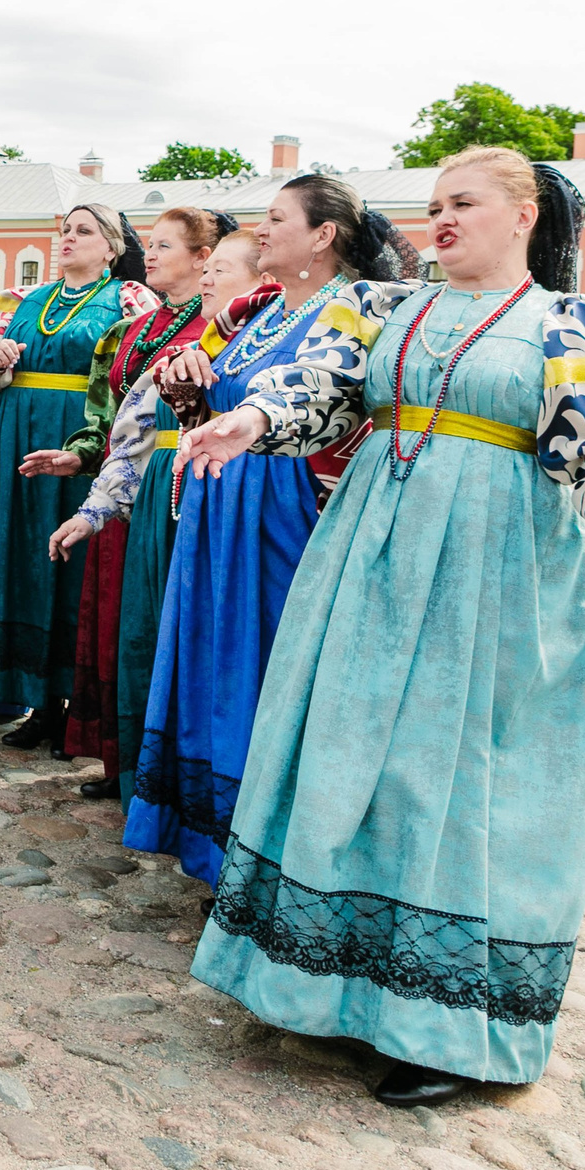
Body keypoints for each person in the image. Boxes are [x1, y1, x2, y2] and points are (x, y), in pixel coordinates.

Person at [181, 147, 585, 1107]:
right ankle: (329, 987)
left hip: (495, 570)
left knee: (462, 778)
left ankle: (448, 1028)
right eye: (433, 204)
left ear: (523, 217)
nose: (440, 218)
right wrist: (252, 420)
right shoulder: (392, 309)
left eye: (463, 203)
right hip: (368, 561)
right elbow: (323, 388)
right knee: (356, 758)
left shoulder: (569, 322)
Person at [125, 175, 395, 885]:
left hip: (288, 505)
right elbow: (198, 407)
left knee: (272, 664)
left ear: (324, 235)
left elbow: (333, 400)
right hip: (222, 501)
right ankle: (212, 840)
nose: (262, 230)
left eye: (277, 219)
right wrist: (186, 379)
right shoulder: (256, 314)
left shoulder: (359, 304)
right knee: (214, 660)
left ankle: (270, 854)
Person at [31, 209, 230, 796]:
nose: (150, 253)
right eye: (150, 243)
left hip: (182, 483)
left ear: (203, 258)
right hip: (124, 496)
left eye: (166, 245)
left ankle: (166, 772)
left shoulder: (222, 324)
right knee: (122, 626)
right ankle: (122, 762)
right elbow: (109, 415)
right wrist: (80, 454)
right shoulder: (131, 330)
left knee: (166, 625)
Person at [0, 205, 160, 745]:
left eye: (83, 231)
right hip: (17, 434)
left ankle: (82, 707)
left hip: (83, 432)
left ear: (112, 247)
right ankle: (39, 701)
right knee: (23, 555)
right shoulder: (22, 299)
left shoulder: (130, 298)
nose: (69, 239)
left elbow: (140, 368)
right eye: (65, 231)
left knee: (76, 561)